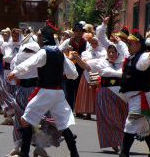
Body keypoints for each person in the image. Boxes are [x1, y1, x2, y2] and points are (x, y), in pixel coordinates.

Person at [8, 25, 80, 157]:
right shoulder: (59, 53)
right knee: (63, 124)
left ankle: (24, 152)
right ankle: (74, 154)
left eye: (40, 35)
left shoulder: (43, 52)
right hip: (58, 94)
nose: (38, 38)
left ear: (44, 37)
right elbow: (73, 74)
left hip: (45, 92)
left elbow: (30, 63)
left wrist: (15, 72)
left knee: (26, 119)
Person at [119, 32, 150, 157]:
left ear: (139, 45)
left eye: (132, 43)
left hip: (140, 98)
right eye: (129, 43)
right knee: (145, 127)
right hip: (136, 98)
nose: (129, 45)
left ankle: (124, 153)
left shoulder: (142, 57)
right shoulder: (132, 57)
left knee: (131, 124)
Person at [94, 44, 127, 152]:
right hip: (106, 94)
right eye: (109, 52)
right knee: (110, 118)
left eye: (114, 52)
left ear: (118, 53)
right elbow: (104, 72)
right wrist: (121, 74)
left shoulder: (123, 63)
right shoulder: (102, 62)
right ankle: (117, 141)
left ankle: (120, 140)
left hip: (122, 96)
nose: (111, 54)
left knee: (122, 119)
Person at [72, 36, 106, 119]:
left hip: (97, 74)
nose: (93, 44)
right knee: (87, 93)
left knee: (95, 93)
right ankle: (87, 113)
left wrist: (90, 62)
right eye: (92, 42)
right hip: (87, 74)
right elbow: (83, 62)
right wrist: (92, 62)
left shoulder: (103, 51)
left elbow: (102, 62)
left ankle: (98, 112)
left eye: (95, 42)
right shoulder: (86, 52)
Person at [59, 23, 87, 110]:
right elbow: (59, 50)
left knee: (79, 89)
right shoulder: (68, 41)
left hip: (81, 68)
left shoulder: (86, 43)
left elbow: (89, 53)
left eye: (80, 31)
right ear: (74, 32)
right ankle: (70, 108)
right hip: (70, 68)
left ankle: (78, 109)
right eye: (76, 31)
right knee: (70, 88)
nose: (78, 33)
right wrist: (66, 50)